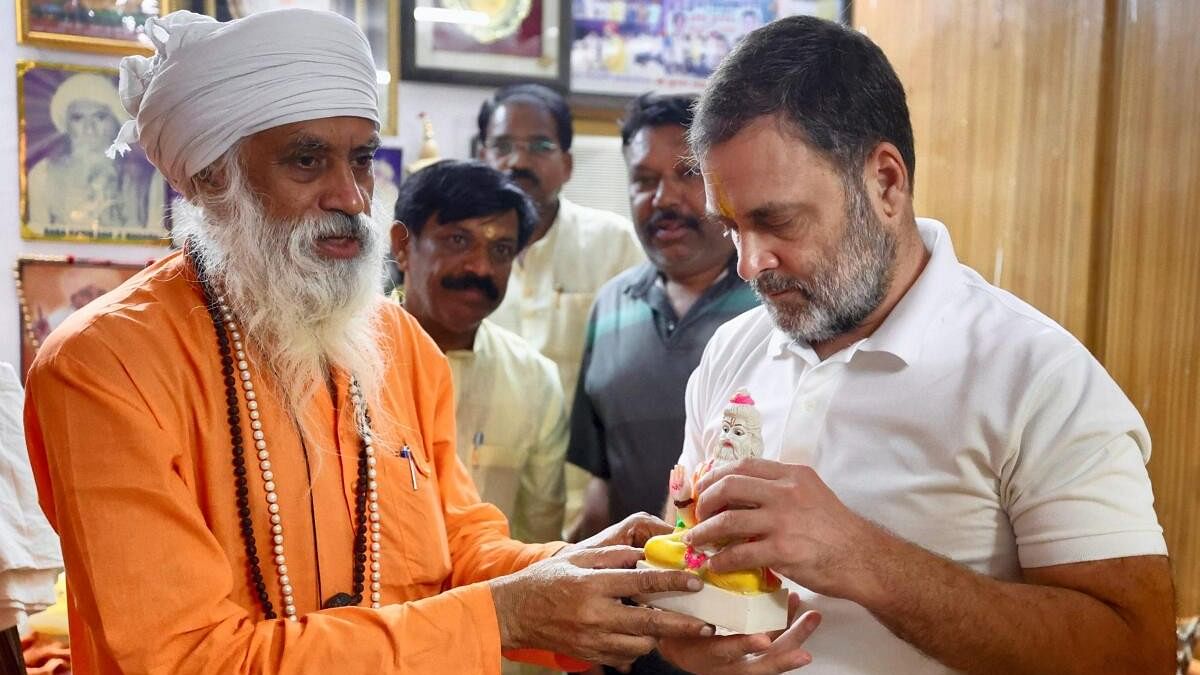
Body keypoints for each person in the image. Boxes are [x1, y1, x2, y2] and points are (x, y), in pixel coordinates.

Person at [23, 10, 717, 674]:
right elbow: (185, 657)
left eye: (359, 160)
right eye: (307, 160)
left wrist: (579, 574)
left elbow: (459, 544)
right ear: (211, 177)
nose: (351, 196)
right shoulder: (102, 367)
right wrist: (500, 617)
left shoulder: (396, 344)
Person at [658, 15, 1175, 674]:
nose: (749, 264)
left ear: (886, 184)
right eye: (731, 227)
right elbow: (687, 554)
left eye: (776, 220)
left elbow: (1139, 650)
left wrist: (861, 557)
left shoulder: (1039, 377)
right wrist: (687, 632)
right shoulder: (732, 351)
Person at [569, 94, 757, 546]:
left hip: (746, 597)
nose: (663, 198)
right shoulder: (611, 305)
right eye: (644, 179)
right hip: (632, 597)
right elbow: (603, 482)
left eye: (687, 175)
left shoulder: (774, 300)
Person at [477, 83, 645, 533]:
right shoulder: (458, 259)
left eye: (539, 146)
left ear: (567, 164)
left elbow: (632, 378)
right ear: (482, 156)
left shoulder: (615, 245)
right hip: (480, 500)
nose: (518, 161)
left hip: (586, 506)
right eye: (503, 146)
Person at [391, 159, 567, 546]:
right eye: (458, 241)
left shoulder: (534, 381)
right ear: (403, 246)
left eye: (501, 249)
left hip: (494, 601)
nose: (480, 268)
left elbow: (539, 538)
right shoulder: (345, 364)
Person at [26, 72, 161, 231]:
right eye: (78, 118)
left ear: (115, 122)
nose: (89, 129)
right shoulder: (43, 174)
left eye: (100, 117)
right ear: (66, 125)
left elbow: (155, 242)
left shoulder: (148, 179)